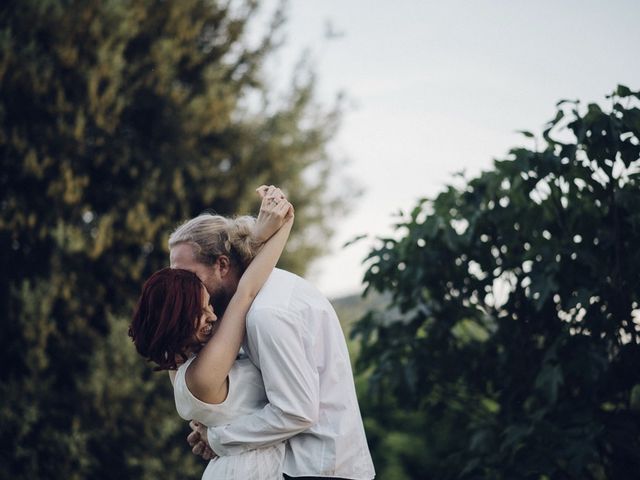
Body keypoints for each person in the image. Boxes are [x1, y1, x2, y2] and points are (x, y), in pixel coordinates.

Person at [169, 188, 375, 480]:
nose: (181, 289)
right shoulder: (243, 309)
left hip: (313, 469)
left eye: (187, 277)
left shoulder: (267, 314)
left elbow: (296, 411)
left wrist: (218, 438)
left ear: (222, 265)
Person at [130, 186, 294, 479]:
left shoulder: (181, 363)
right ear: (178, 319)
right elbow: (245, 291)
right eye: (201, 311)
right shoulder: (205, 373)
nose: (213, 316)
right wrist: (284, 225)